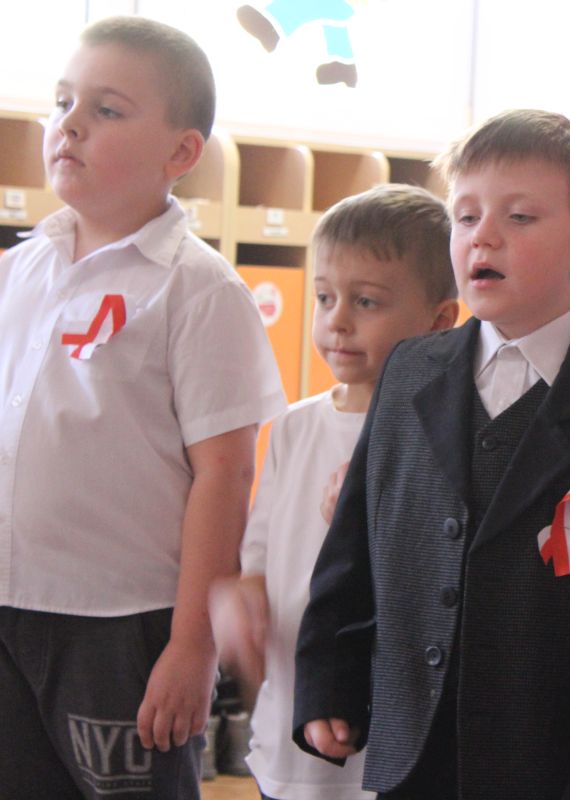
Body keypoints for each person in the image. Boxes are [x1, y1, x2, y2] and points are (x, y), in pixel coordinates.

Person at [292, 109, 570, 798]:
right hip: (412, 752)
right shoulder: (408, 372)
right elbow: (355, 547)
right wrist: (326, 682)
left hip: (550, 762)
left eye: (519, 218)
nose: (482, 236)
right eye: (465, 217)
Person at [0, 17, 286, 800]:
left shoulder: (196, 287)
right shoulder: (16, 272)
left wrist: (192, 647)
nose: (70, 124)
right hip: (1, 603)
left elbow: (225, 475)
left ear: (180, 153)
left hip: (119, 624)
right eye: (62, 102)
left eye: (107, 109)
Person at [209, 185, 459, 800]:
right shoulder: (295, 427)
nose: (337, 321)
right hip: (287, 723)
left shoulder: (440, 435)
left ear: (440, 320)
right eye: (324, 298)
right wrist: (241, 601)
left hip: (376, 727)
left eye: (366, 301)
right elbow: (259, 558)